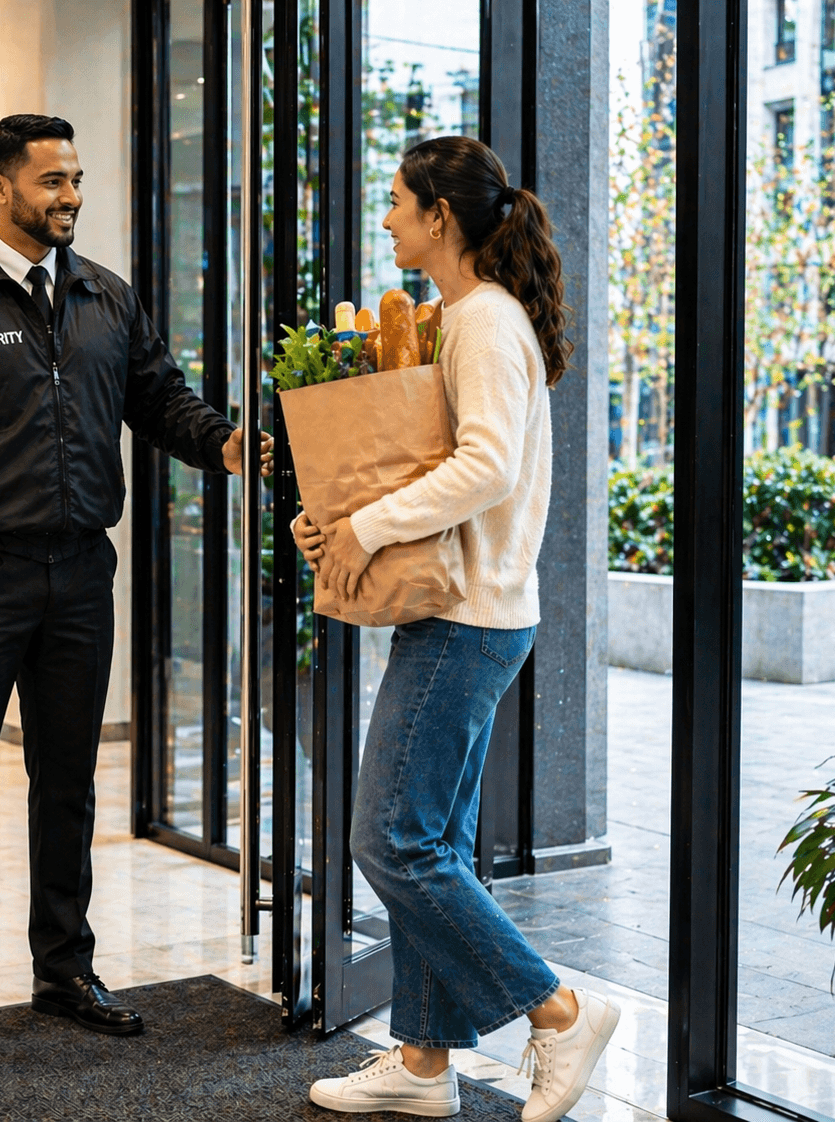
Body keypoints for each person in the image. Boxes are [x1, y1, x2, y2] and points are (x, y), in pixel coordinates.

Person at [0, 113, 271, 1062]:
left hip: (83, 573)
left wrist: (226, 445)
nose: (71, 196)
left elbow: (160, 399)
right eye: (51, 181)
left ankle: (65, 968)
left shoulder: (104, 298)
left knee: (70, 784)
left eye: (75, 179)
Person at [293, 137, 618, 1122]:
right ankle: (422, 1062)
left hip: (465, 622)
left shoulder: (480, 322)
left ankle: (557, 1011)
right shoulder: (462, 319)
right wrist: (339, 516)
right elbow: (431, 460)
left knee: (392, 842)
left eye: (396, 203)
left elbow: (484, 467)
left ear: (440, 217)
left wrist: (366, 525)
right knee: (429, 837)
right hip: (466, 614)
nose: (385, 218)